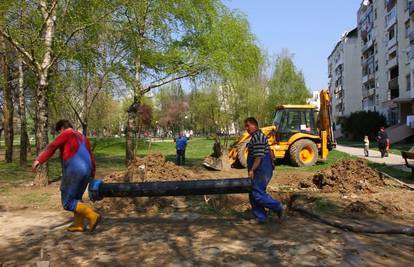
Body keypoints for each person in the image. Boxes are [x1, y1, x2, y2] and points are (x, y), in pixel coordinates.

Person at [32, 120, 101, 232]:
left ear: (62, 129)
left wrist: (39, 160)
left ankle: (92, 215)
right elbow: (91, 156)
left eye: (59, 132)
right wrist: (92, 174)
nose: (60, 134)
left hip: (74, 170)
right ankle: (78, 224)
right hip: (87, 170)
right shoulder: (83, 137)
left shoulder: (66, 133)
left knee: (68, 202)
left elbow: (52, 147)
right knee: (77, 198)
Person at [245, 117, 285, 224]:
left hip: (261, 169)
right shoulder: (255, 137)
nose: (246, 128)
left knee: (257, 193)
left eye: (248, 125)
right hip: (261, 169)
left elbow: (258, 157)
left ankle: (278, 207)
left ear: (254, 125)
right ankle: (261, 217)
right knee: (252, 192)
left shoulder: (258, 137)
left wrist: (252, 170)